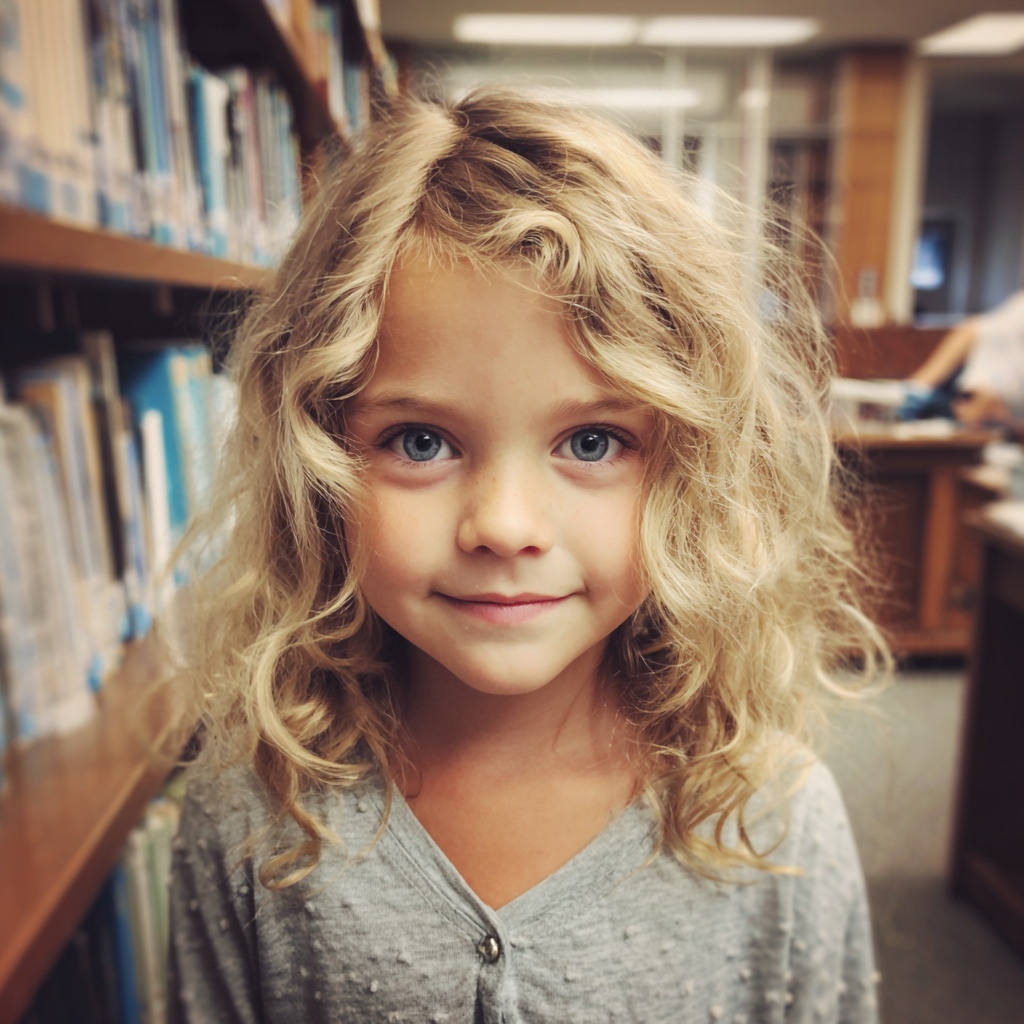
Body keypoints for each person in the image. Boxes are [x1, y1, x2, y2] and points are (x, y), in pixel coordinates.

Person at [168, 90, 888, 1024]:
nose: (505, 527)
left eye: (591, 443)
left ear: (692, 473)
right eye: (420, 442)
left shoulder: (775, 817)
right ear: (317, 467)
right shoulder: (249, 815)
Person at [905, 290, 1024, 430]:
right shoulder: (1016, 310)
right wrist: (916, 387)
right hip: (964, 409)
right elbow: (972, 330)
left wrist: (1005, 419)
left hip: (997, 424)